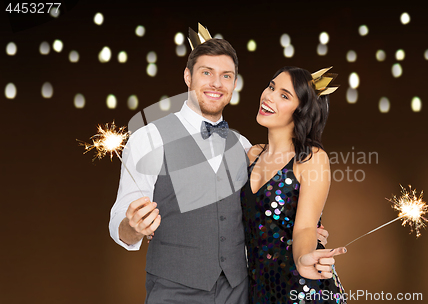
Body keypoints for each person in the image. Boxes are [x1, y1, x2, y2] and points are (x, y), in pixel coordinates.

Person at [109, 24, 332, 304]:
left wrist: (307, 238)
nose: (216, 83)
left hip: (239, 293)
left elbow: (268, 210)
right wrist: (132, 227)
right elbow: (121, 214)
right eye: (206, 73)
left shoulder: (245, 148)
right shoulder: (148, 138)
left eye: (226, 76)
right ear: (188, 76)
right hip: (173, 293)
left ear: (234, 84)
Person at [241, 66, 347, 303]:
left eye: (284, 95)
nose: (269, 96)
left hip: (303, 290)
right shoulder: (250, 155)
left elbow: (305, 228)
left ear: (300, 111)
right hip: (259, 291)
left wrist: (303, 259)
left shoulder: (311, 158)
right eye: (271, 86)